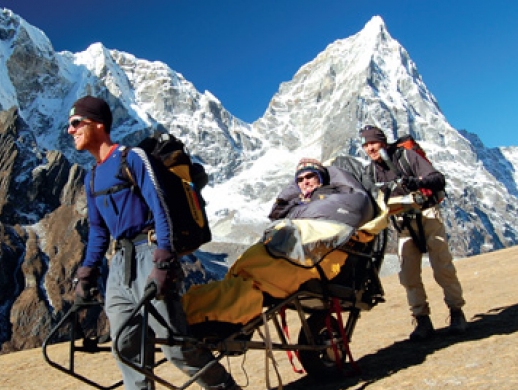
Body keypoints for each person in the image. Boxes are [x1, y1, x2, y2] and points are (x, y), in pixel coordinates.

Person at [69, 95, 249, 390]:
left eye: (76, 123)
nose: (70, 130)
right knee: (124, 346)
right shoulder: (91, 178)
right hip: (118, 264)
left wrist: (164, 260)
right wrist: (87, 271)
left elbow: (161, 206)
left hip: (150, 251)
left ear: (97, 125)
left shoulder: (131, 158)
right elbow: (98, 231)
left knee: (173, 343)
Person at [181, 158, 377, 329]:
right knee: (242, 273)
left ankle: (202, 317)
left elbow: (337, 218)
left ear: (321, 178)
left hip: (317, 258)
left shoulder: (333, 195)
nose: (305, 182)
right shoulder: (297, 204)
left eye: (310, 176)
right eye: (300, 179)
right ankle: (191, 311)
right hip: (293, 253)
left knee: (254, 280)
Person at [359, 125, 467, 341]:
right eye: (366, 144)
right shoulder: (369, 172)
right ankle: (422, 320)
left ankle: (457, 312)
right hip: (402, 222)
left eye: (374, 142)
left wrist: (417, 182)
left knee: (442, 265)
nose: (370, 147)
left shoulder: (406, 157)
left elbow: (437, 179)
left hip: (426, 213)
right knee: (408, 274)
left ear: (383, 142)